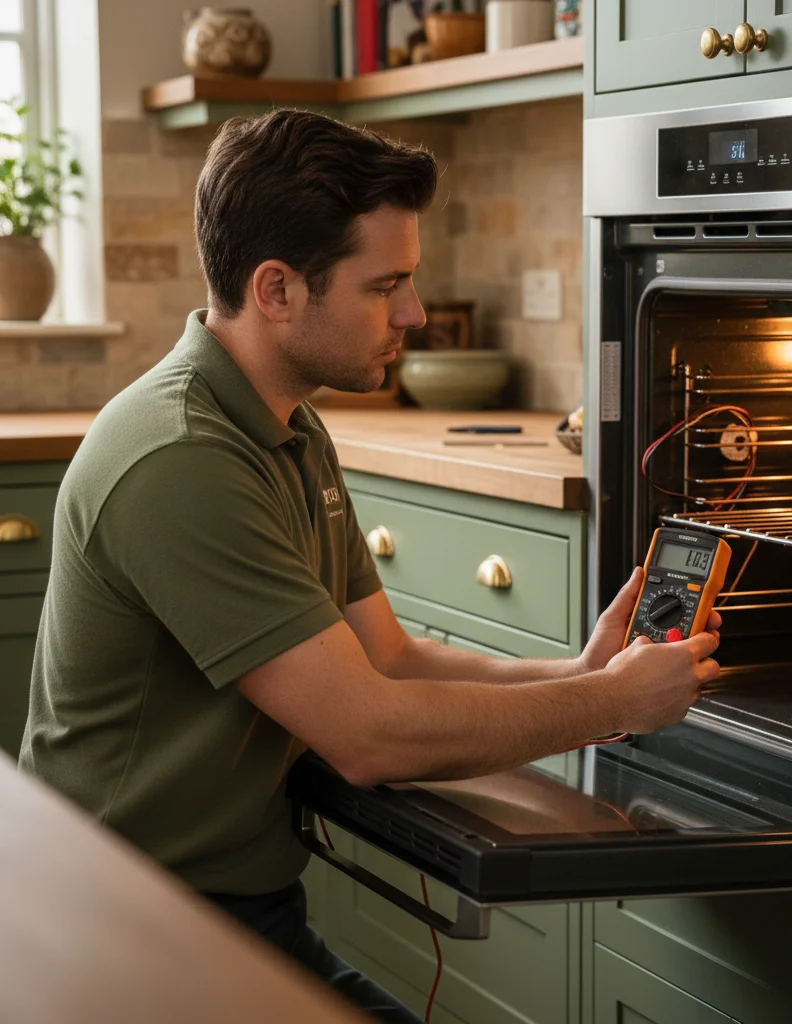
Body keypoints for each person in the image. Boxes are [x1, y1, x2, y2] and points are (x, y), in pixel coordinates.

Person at [19, 109, 721, 1023]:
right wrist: (613, 705)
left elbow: (387, 657)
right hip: (131, 931)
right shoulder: (181, 457)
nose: (415, 315)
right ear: (277, 289)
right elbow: (368, 734)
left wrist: (580, 671)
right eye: (384, 284)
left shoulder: (285, 425)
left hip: (232, 908)